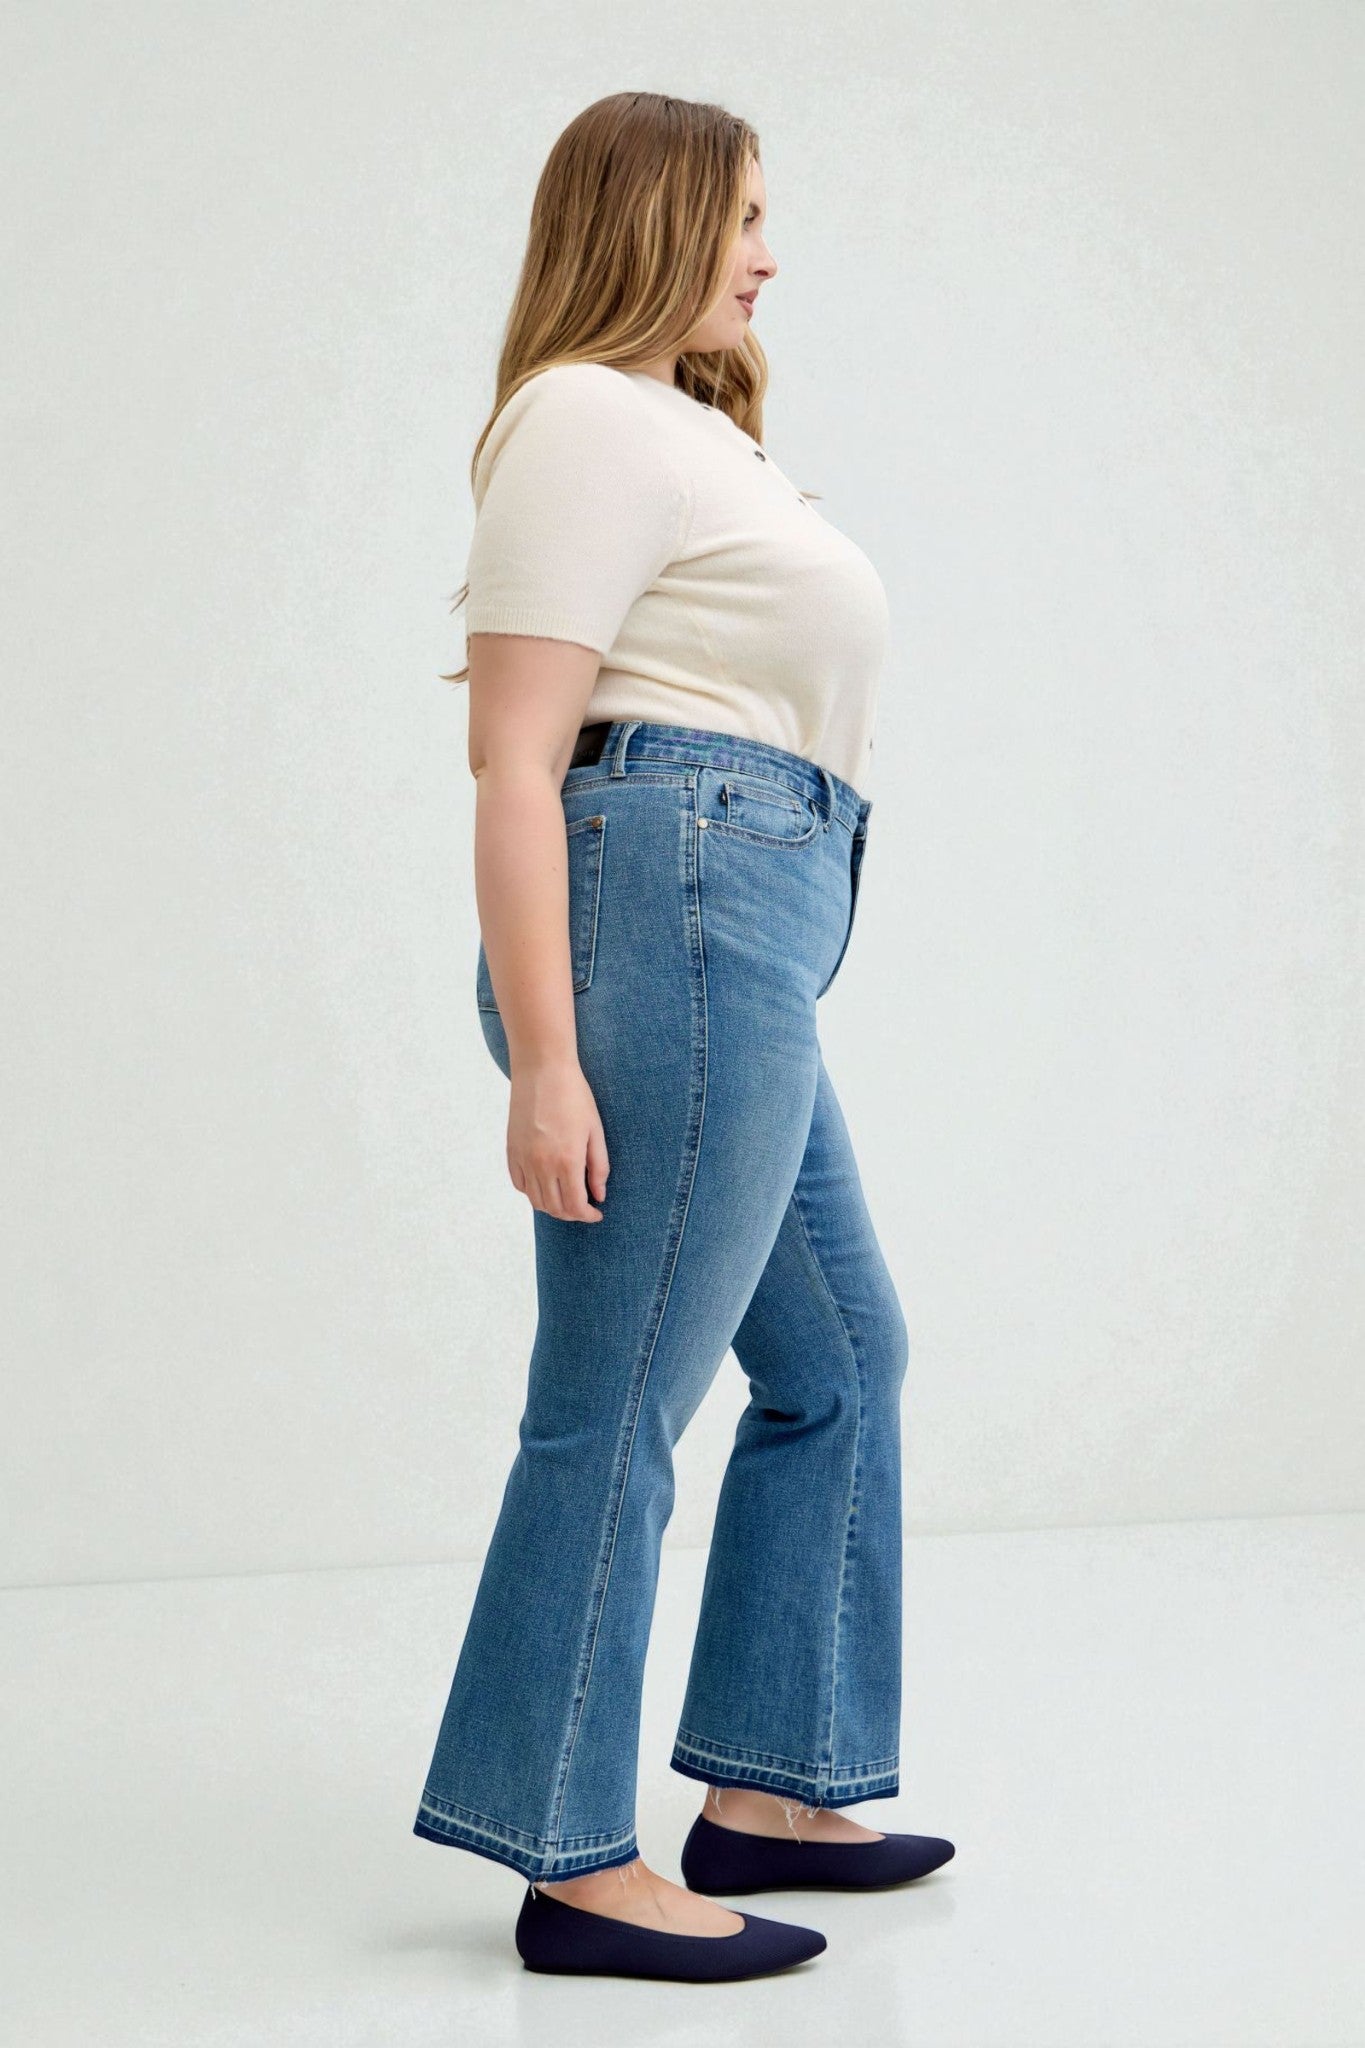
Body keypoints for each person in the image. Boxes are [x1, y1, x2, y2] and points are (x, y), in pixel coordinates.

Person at [413, 90, 954, 1984]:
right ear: (649, 221)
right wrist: (548, 1061)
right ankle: (572, 1862)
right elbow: (511, 762)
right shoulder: (579, 414)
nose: (768, 249)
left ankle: (774, 1784)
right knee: (621, 1395)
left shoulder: (680, 432)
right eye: (740, 213)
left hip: (743, 917)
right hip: (665, 910)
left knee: (840, 1358)